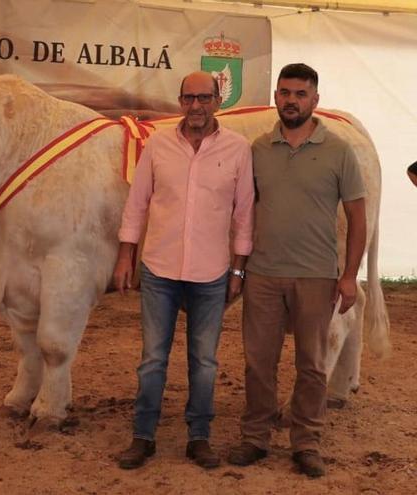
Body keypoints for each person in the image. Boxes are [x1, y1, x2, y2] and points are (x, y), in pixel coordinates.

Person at [227, 63, 367, 478]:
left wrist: (348, 277)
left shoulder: (340, 150)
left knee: (311, 363)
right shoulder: (256, 149)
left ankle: (306, 441)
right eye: (285, 92)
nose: (291, 100)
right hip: (264, 274)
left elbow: (357, 219)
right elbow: (241, 213)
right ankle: (255, 437)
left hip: (317, 274)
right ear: (276, 96)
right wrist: (239, 269)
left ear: (315, 100)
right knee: (258, 361)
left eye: (300, 94)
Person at [113, 71, 254, 470]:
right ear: (180, 101)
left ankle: (199, 437)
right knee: (152, 359)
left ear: (217, 101)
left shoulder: (238, 149)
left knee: (205, 361)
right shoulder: (157, 146)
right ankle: (143, 436)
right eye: (189, 98)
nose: (196, 106)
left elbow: (244, 216)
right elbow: (137, 204)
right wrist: (126, 256)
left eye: (204, 98)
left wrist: (238, 271)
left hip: (211, 273)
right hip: (158, 268)